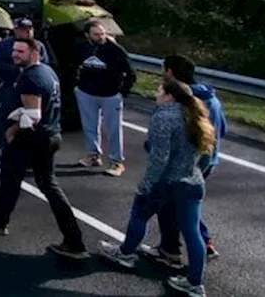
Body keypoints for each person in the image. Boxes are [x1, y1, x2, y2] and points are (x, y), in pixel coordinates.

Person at [0, 36, 88, 260]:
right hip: (51, 135)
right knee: (45, 186)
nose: (15, 55)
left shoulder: (30, 78)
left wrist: (12, 132)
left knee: (12, 181)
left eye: (21, 52)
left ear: (35, 53)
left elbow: (33, 116)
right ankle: (74, 240)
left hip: (32, 139)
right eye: (14, 51)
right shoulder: (48, 73)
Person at [97, 78, 214, 296]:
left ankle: (125, 254)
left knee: (140, 214)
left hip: (167, 182)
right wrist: (196, 172)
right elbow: (207, 154)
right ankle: (195, 283)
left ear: (169, 96)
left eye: (159, 90)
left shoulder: (164, 117)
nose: (156, 94)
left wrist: (147, 184)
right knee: (192, 232)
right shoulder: (196, 117)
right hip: (193, 182)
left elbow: (160, 158)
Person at [140, 55, 226, 266]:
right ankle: (204, 244)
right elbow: (222, 129)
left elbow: (167, 136)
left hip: (183, 163)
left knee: (169, 206)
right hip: (208, 160)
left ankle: (170, 251)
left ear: (170, 72)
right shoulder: (212, 99)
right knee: (185, 204)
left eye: (163, 69)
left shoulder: (178, 101)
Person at [74, 20, 137, 176]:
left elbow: (131, 73)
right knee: (89, 126)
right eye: (96, 34)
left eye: (102, 33)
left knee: (114, 129)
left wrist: (122, 92)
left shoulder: (115, 50)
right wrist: (77, 86)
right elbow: (73, 66)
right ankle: (93, 155)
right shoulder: (83, 48)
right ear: (87, 35)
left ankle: (117, 162)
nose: (101, 37)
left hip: (110, 95)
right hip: (86, 93)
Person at [0, 18, 52, 161]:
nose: (27, 32)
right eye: (23, 29)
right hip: (9, 85)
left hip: (30, 88)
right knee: (1, 116)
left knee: (29, 118)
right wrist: (15, 72)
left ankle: (24, 149)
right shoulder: (5, 45)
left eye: (30, 29)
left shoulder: (39, 46)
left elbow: (45, 64)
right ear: (16, 30)